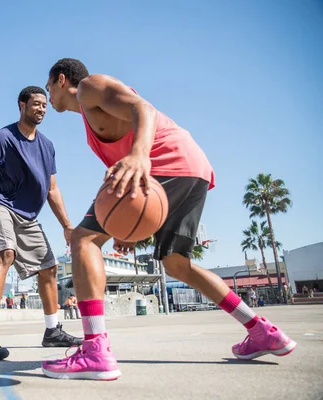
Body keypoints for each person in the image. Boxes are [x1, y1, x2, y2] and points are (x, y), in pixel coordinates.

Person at [41, 58, 296, 380]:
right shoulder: (90, 117)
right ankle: (262, 331)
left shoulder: (90, 88)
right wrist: (125, 224)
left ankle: (95, 350)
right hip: (192, 169)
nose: (48, 96)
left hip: (165, 161)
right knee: (176, 264)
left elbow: (142, 108)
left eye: (49, 86)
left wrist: (139, 155)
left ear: (61, 80)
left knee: (83, 239)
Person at [0, 86, 82, 361]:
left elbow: (52, 189)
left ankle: (52, 330)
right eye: (36, 104)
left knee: (49, 267)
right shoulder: (4, 137)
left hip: (27, 215)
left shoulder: (47, 146)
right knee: (5, 253)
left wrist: (67, 224)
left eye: (44, 105)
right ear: (21, 105)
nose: (42, 108)